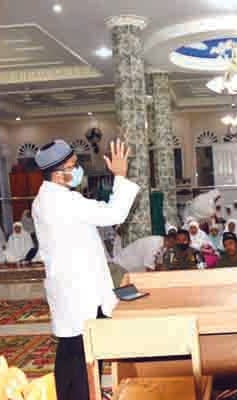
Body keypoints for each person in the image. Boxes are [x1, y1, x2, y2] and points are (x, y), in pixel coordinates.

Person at [32, 139, 140, 400]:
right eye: (73, 165)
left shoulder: (45, 198)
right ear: (58, 174)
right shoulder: (64, 201)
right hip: (79, 291)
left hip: (73, 289)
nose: (78, 169)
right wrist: (120, 176)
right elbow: (114, 214)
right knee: (83, 356)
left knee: (72, 353)